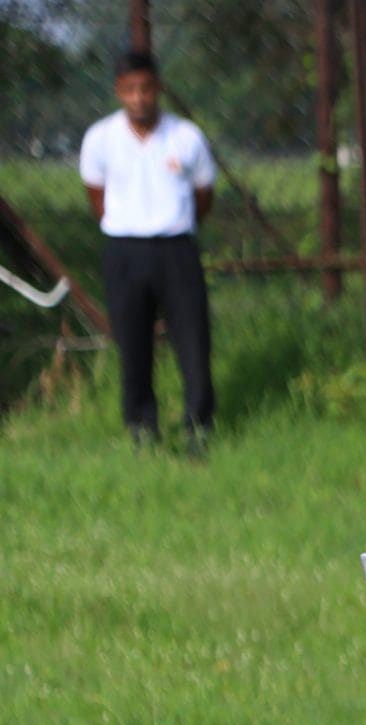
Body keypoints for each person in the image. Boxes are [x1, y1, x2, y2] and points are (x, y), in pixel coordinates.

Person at [79, 49, 217, 453]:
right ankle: (141, 427)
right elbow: (96, 196)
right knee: (133, 342)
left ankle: (198, 427)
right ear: (119, 91)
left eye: (146, 88)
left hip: (176, 249)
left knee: (193, 339)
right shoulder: (100, 138)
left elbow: (204, 195)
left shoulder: (186, 136)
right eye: (130, 90)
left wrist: (173, 223)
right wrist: (130, 225)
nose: (139, 97)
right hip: (125, 251)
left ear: (158, 88)